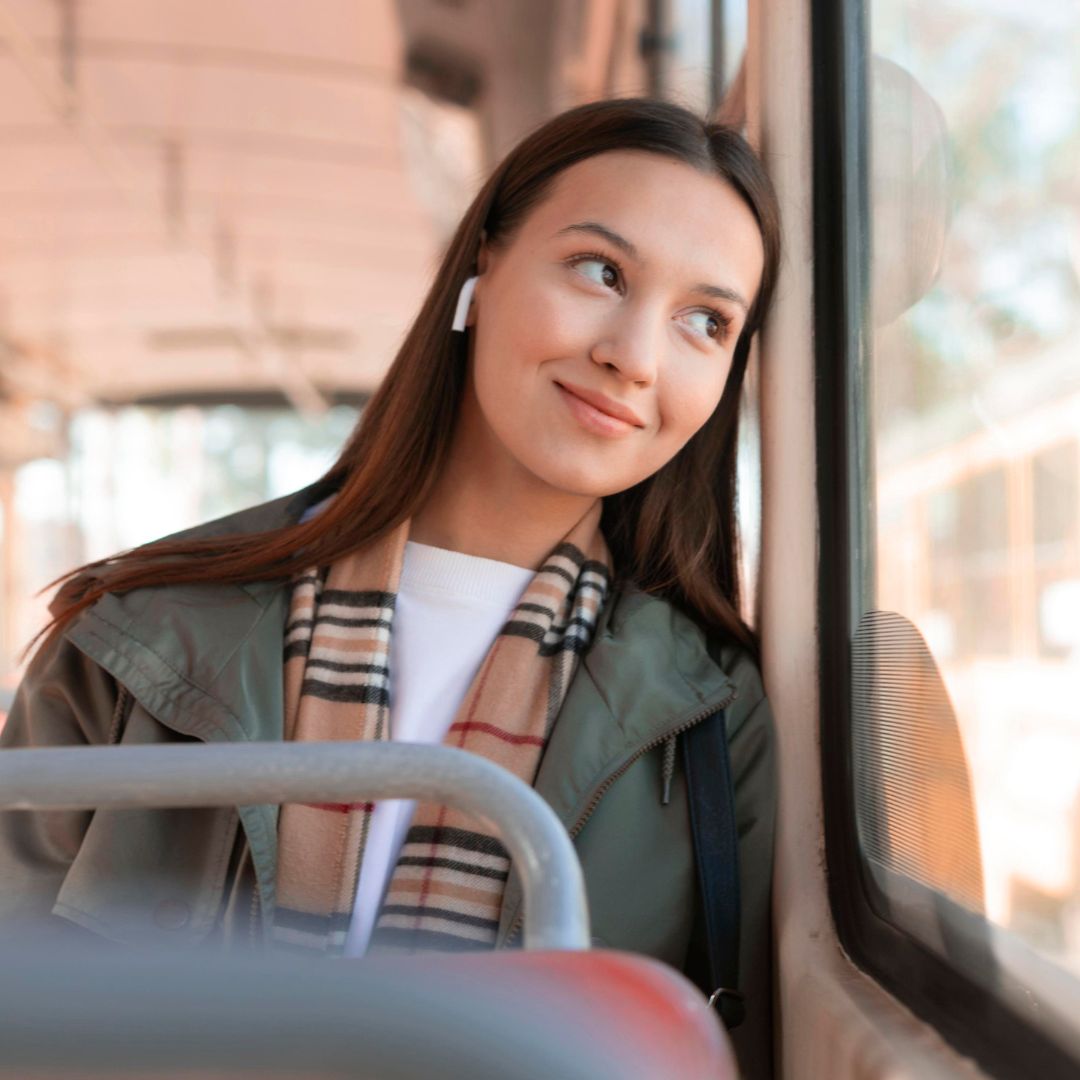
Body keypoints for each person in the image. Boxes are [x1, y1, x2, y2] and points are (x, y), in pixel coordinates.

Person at [0, 98, 780, 1077]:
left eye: (706, 321)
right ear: (482, 267)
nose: (635, 355)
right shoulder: (139, 632)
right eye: (600, 270)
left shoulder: (714, 721)